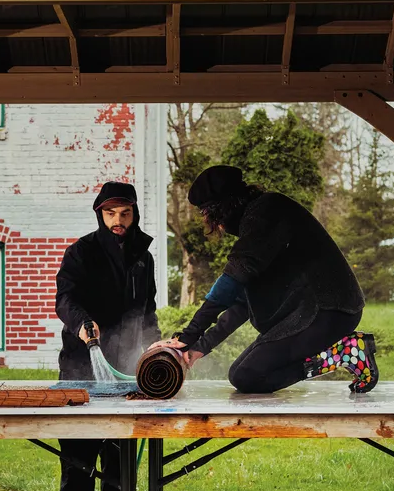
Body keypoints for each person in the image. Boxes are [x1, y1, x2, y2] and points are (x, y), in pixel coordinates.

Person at [155, 165, 377, 394]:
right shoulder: (259, 224)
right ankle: (344, 352)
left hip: (329, 310)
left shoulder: (267, 212)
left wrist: (188, 334)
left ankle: (346, 352)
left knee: (249, 376)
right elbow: (241, 304)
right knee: (240, 374)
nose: (214, 225)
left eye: (208, 215)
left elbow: (229, 283)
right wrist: (196, 348)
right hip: (312, 310)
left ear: (222, 208)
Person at [45, 181, 158, 491]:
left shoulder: (144, 257)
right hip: (81, 371)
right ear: (100, 214)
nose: (118, 222)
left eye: (125, 214)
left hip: (126, 375)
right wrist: (81, 324)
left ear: (133, 214)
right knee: (78, 465)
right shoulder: (81, 253)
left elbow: (148, 313)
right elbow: (65, 299)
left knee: (119, 467)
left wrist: (154, 353)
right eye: (110, 214)